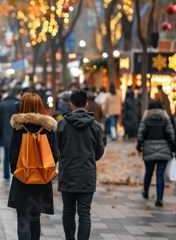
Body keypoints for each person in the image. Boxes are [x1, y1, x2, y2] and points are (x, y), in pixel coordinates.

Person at [7, 93, 59, 240]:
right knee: (35, 217)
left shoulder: (18, 127)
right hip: (42, 178)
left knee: (23, 217)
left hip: (22, 178)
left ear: (23, 106)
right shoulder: (48, 128)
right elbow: (55, 155)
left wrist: (17, 172)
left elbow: (13, 154)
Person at [57, 89, 105, 240]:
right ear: (86, 105)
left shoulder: (61, 125)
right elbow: (99, 152)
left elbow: (55, 150)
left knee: (68, 211)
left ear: (71, 105)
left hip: (67, 173)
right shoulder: (95, 126)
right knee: (85, 213)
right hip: (87, 173)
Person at [136, 100, 176, 207]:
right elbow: (171, 133)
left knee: (148, 172)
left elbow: (141, 133)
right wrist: (173, 148)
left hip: (148, 148)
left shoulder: (145, 118)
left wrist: (139, 147)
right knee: (160, 175)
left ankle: (145, 191)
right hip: (164, 149)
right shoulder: (165, 118)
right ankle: (159, 199)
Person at [0, 85, 21, 182]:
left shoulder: (2, 104)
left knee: (6, 155)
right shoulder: (18, 104)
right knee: (18, 155)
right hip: (17, 134)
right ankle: (17, 174)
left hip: (5, 134)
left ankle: (6, 175)